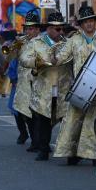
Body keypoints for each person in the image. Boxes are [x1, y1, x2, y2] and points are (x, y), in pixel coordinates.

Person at [53, 5, 96, 166]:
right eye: (86, 22)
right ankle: (72, 152)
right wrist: (54, 57)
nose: (89, 24)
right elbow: (61, 57)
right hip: (79, 87)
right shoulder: (73, 40)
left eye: (91, 21)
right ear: (81, 24)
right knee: (74, 120)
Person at [20, 11, 73, 161]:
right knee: (43, 119)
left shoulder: (69, 43)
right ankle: (43, 149)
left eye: (62, 28)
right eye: (57, 29)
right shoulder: (36, 43)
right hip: (44, 88)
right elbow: (24, 59)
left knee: (65, 119)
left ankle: (68, 151)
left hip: (63, 87)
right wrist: (38, 62)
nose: (61, 31)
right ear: (48, 28)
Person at [11, 11, 41, 148]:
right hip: (23, 83)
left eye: (32, 28)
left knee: (38, 115)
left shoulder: (43, 42)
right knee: (25, 114)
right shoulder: (21, 42)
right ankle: (35, 141)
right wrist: (15, 49)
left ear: (37, 29)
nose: (29, 31)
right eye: (27, 28)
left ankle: (38, 142)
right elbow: (11, 58)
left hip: (37, 82)